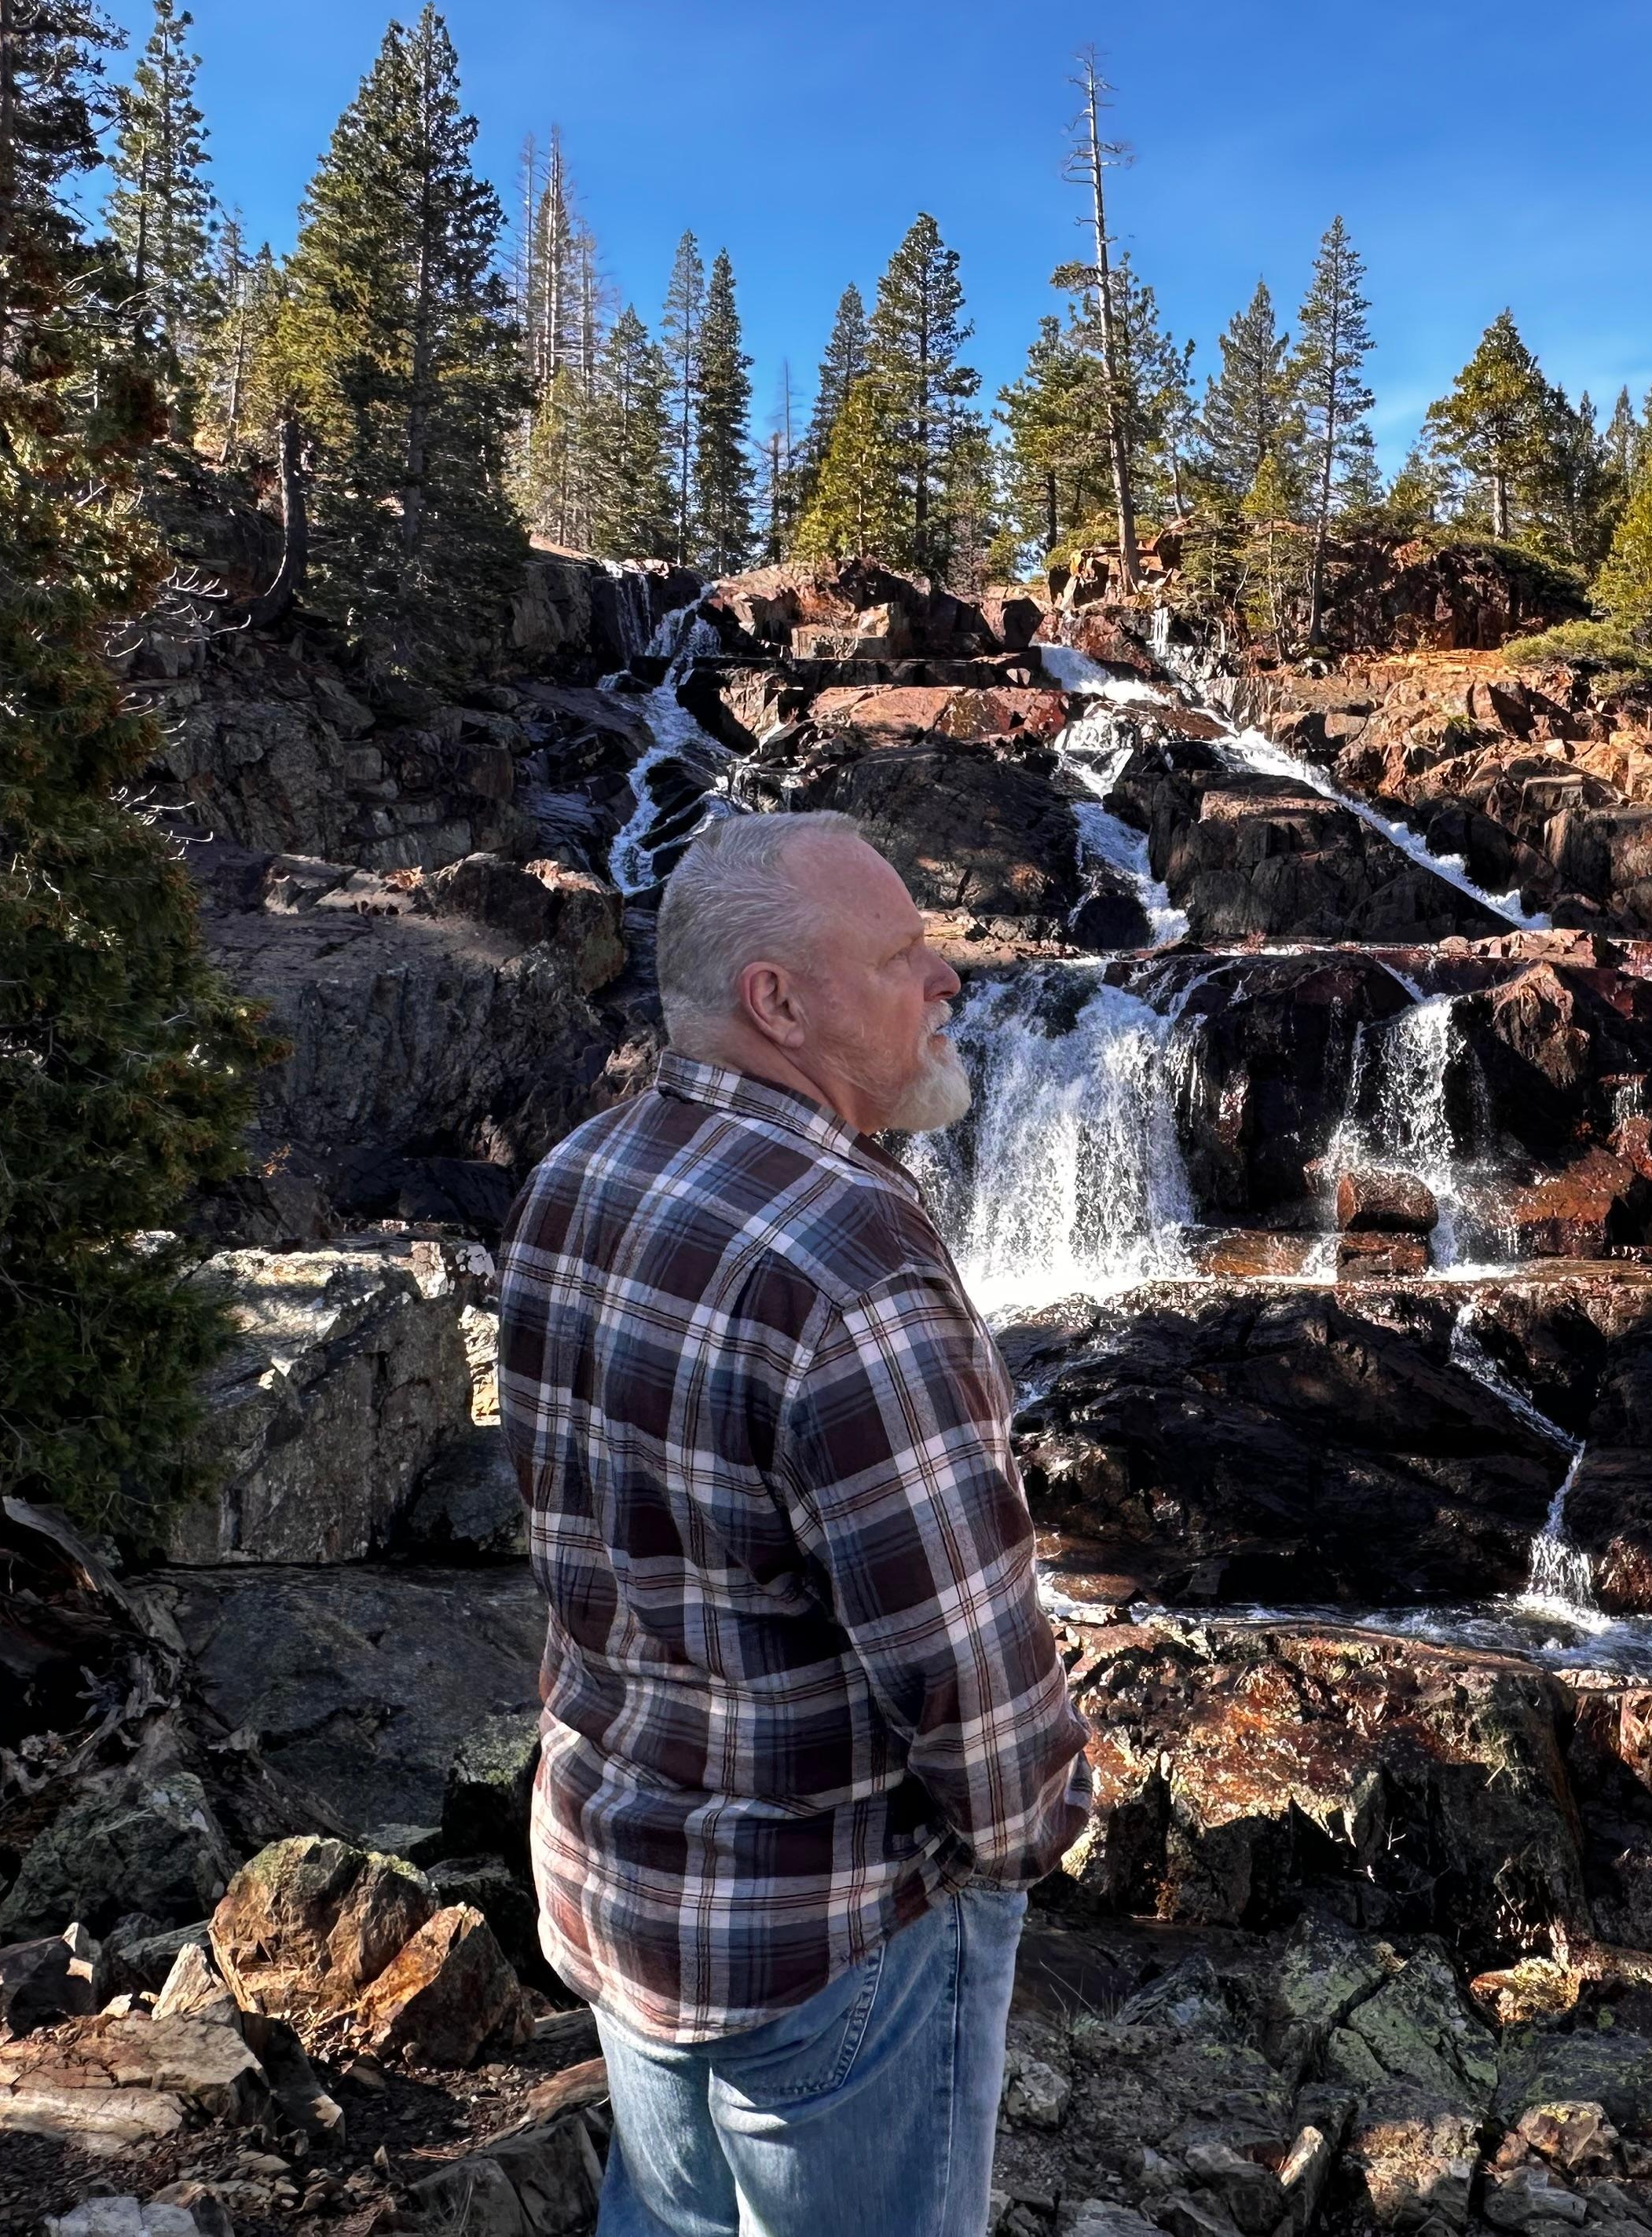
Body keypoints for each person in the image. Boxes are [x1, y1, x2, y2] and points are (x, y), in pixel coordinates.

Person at [498, 810, 1090, 2237]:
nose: (947, 977)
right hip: (829, 1931)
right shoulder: (853, 1261)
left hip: (622, 1879)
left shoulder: (579, 1174)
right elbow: (958, 1656)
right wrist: (1033, 1834)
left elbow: (579, 1536)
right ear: (779, 1003)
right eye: (901, 955)